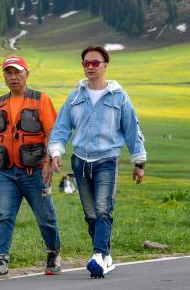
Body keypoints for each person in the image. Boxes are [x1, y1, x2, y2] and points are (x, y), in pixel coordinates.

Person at [48, 45, 146, 278]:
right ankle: (107, 258)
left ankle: (99, 255)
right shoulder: (75, 96)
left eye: (95, 63)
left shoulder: (119, 97)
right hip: (80, 161)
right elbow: (61, 127)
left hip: (106, 160)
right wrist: (55, 151)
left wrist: (139, 162)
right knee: (90, 213)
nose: (90, 67)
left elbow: (132, 129)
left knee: (103, 210)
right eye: (86, 63)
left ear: (105, 65)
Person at [0, 55, 61, 279]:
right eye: (9, 72)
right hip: (5, 171)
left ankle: (53, 254)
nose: (13, 77)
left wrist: (48, 161)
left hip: (34, 170)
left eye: (18, 72)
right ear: (4, 76)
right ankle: (0, 261)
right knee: (2, 214)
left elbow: (52, 134)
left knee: (45, 216)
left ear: (27, 73)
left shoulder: (41, 100)